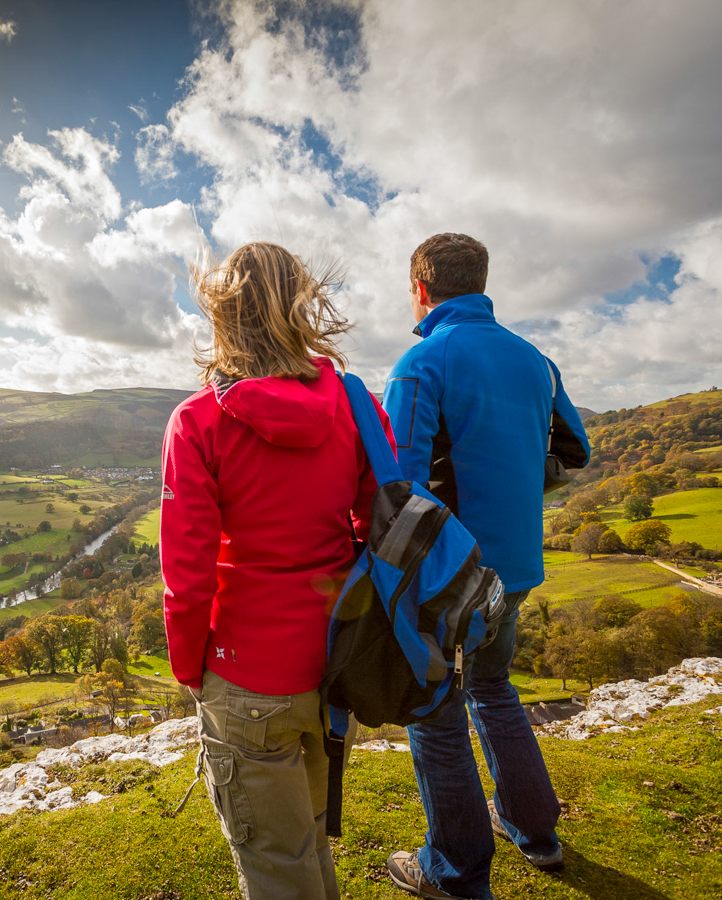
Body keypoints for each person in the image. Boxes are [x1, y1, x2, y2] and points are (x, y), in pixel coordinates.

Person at [159, 241, 394, 900]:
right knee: (309, 836)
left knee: (274, 861)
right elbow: (382, 521)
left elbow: (188, 573)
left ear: (223, 312)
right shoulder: (352, 400)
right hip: (334, 659)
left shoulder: (197, 421)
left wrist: (188, 669)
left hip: (244, 674)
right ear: (301, 305)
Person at [380, 233, 590, 900]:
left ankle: (455, 872)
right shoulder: (536, 362)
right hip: (519, 568)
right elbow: (575, 449)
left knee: (435, 710)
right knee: (494, 689)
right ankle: (537, 835)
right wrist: (521, 479)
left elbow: (396, 487)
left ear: (421, 288)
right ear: (481, 282)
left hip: (450, 576)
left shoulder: (422, 362)